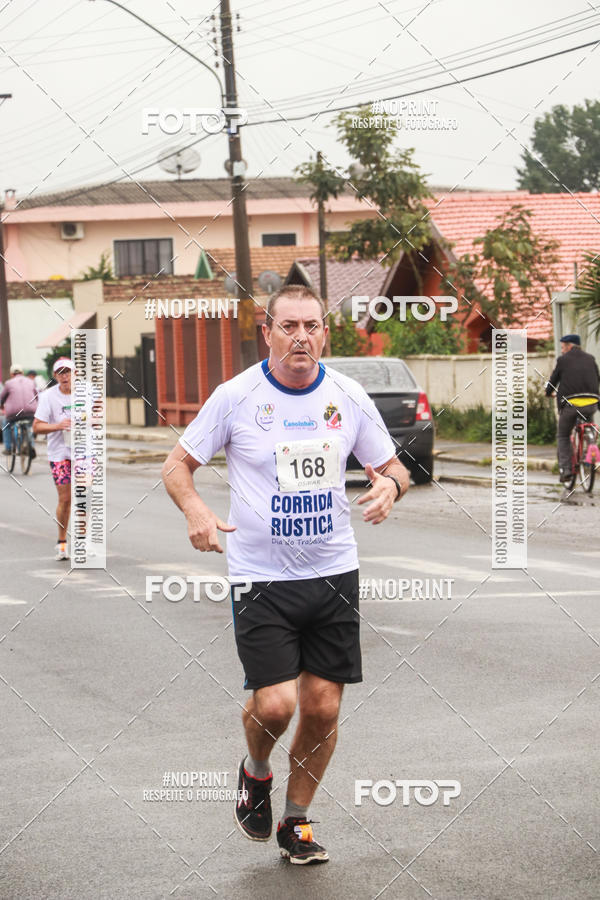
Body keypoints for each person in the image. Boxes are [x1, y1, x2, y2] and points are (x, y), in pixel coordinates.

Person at [162, 285, 409, 865]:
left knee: (322, 708)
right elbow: (176, 466)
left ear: (325, 333)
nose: (301, 336)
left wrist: (391, 487)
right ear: (267, 333)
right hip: (261, 577)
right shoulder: (236, 396)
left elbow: (395, 466)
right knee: (274, 706)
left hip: (333, 573)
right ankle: (256, 771)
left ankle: (296, 821)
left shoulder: (347, 395)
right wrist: (196, 511)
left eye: (312, 326)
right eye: (289, 326)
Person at [33, 358, 74, 560]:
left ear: (75, 373)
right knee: (65, 499)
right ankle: (62, 541)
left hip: (84, 454)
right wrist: (58, 426)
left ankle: (84, 542)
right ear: (55, 376)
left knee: (85, 498)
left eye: (68, 372)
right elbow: (37, 427)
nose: (65, 376)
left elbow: (99, 418)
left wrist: (90, 422)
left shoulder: (88, 393)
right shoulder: (48, 396)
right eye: (60, 373)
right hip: (60, 454)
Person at [545, 334, 599, 482]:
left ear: (569, 346)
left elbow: (553, 381)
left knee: (563, 435)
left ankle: (566, 470)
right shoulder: (590, 359)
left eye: (563, 347)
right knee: (589, 424)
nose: (562, 350)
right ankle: (591, 444)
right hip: (591, 403)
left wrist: (548, 393)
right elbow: (597, 380)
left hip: (571, 406)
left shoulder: (563, 360)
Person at [0, 364, 38, 457]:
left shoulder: (8, 383)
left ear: (11, 374)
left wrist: (1, 405)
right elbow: (37, 396)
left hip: (14, 413)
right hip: (31, 411)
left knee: (6, 424)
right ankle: (31, 446)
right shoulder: (31, 382)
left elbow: (2, 398)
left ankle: (8, 448)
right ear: (22, 373)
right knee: (30, 426)